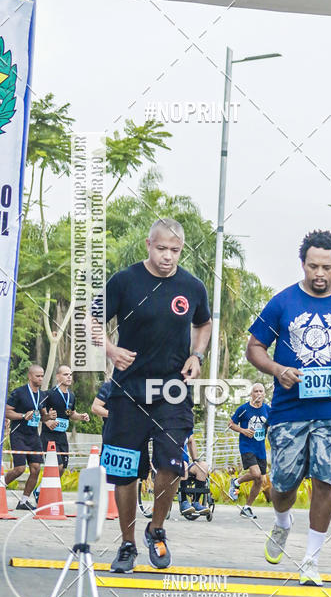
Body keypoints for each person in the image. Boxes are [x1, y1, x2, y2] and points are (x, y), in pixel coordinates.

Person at [246, 229, 331, 585]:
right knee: (283, 485)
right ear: (302, 264)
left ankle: (311, 560)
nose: (319, 274)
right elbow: (254, 347)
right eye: (313, 266)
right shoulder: (282, 303)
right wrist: (277, 369)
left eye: (327, 267)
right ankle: (282, 522)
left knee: (325, 480)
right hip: (289, 408)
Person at [90, 218, 212, 572]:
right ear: (148, 245)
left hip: (171, 390)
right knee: (125, 470)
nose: (167, 256)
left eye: (175, 250)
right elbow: (91, 320)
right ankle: (127, 544)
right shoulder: (125, 281)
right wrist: (111, 350)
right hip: (128, 389)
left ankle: (156, 530)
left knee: (172, 464)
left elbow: (204, 323)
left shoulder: (192, 286)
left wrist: (197, 355)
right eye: (161, 249)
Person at [4, 364, 55, 511]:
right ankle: (1, 486)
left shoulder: (42, 395)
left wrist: (49, 417)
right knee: (19, 469)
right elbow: (6, 411)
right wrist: (22, 416)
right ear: (30, 376)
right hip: (18, 434)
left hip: (33, 436)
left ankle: (24, 501)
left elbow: (42, 417)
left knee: (36, 468)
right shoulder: (19, 392)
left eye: (42, 376)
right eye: (37, 376)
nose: (40, 378)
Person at [227, 382, 270, 519]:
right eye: (256, 391)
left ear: (264, 394)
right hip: (247, 446)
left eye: (261, 391)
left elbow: (273, 425)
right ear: (251, 394)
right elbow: (231, 424)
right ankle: (236, 482)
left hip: (260, 448)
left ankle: (247, 508)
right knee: (255, 473)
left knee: (259, 479)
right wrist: (243, 430)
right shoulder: (244, 409)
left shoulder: (268, 409)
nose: (258, 394)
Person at [41, 365, 90, 474]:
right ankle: (45, 485)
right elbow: (39, 411)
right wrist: (47, 421)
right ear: (58, 377)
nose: (69, 377)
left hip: (62, 436)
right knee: (57, 466)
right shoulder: (49, 394)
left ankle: (45, 485)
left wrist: (80, 416)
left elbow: (70, 413)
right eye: (65, 374)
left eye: (70, 374)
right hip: (49, 435)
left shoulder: (71, 396)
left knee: (63, 468)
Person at [179, 433, 211, 518]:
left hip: (185, 463)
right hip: (171, 462)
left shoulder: (186, 427)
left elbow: (191, 440)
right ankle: (184, 502)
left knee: (203, 466)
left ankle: (196, 502)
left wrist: (195, 459)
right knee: (184, 465)